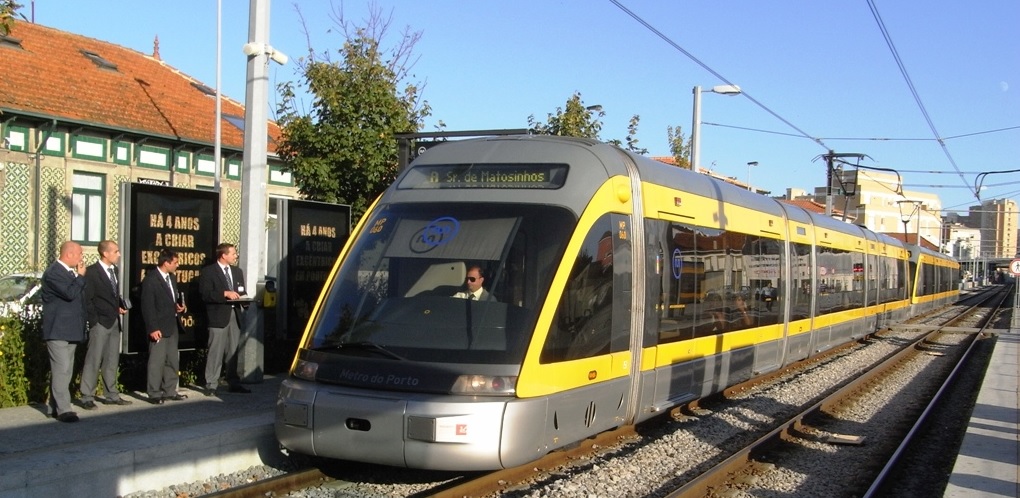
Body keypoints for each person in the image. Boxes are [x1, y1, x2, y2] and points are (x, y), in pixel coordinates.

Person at [79, 240, 132, 409]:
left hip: (114, 320)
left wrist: (119, 308)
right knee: (93, 359)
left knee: (111, 359)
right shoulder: (92, 272)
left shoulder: (114, 271)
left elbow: (111, 296)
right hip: (100, 322)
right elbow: (87, 300)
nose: (118, 254)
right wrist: (94, 320)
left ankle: (111, 393)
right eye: (116, 251)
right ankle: (87, 395)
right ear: (105, 253)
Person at [41, 241, 87, 422]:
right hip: (58, 329)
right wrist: (81, 277)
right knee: (61, 369)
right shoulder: (54, 273)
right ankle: (64, 409)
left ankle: (54, 406)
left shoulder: (69, 273)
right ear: (69, 254)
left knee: (66, 370)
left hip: (71, 329)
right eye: (80, 254)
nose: (81, 258)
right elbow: (69, 293)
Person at [198, 243, 251, 395]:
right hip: (218, 316)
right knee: (216, 351)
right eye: (233, 254)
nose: (236, 256)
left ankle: (233, 382)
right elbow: (205, 294)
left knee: (233, 351)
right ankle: (211, 384)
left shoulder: (237, 272)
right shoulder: (209, 272)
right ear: (223, 255)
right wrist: (224, 294)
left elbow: (241, 291)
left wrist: (246, 300)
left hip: (235, 316)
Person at [140, 248, 186, 404]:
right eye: (175, 262)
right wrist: (152, 328)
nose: (177, 266)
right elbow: (147, 306)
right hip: (158, 326)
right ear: (166, 263)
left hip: (172, 324)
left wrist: (179, 308)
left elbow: (172, 299)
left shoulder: (171, 278)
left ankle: (170, 390)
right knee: (156, 361)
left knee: (172, 360)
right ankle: (153, 393)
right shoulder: (151, 280)